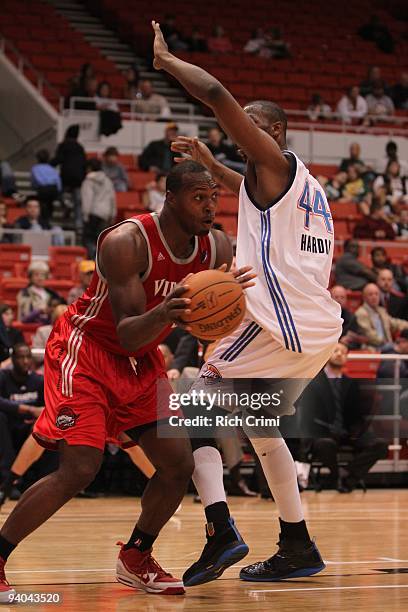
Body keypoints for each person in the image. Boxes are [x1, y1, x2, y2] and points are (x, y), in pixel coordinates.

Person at [0, 160, 254, 598]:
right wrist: (171, 310)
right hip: (88, 351)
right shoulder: (126, 242)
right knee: (80, 468)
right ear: (170, 198)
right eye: (199, 198)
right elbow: (127, 329)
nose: (210, 207)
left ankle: (136, 556)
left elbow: (184, 328)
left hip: (142, 360)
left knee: (178, 465)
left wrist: (215, 312)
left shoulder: (216, 247)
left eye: (215, 197)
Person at [152, 20, 342, 584]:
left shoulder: (275, 165)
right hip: (314, 331)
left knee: (187, 406)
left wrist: (166, 61)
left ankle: (220, 530)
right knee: (261, 430)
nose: (244, 132)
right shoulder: (303, 186)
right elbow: (249, 188)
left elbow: (215, 95)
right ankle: (297, 544)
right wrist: (212, 164)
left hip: (277, 324)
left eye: (255, 128)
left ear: (277, 132)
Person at [299, 343, 388, 492]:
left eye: (343, 352)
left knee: (380, 444)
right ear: (327, 354)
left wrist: (357, 431)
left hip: (347, 432)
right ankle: (337, 478)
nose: (339, 354)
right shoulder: (312, 381)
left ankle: (347, 475)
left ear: (346, 358)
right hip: (323, 432)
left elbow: (356, 414)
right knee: (325, 444)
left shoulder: (351, 383)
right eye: (335, 350)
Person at [0, 344, 44, 492]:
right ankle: (10, 481)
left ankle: (41, 482)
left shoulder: (38, 381)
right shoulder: (3, 377)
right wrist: (29, 409)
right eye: (21, 357)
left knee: (48, 427)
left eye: (28, 357)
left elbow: (46, 407)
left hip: (28, 427)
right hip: (7, 426)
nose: (25, 361)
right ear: (12, 359)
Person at [51, 125, 87, 230]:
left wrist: (47, 164)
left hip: (66, 176)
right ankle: (78, 223)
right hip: (78, 178)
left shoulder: (63, 145)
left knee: (59, 194)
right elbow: (84, 163)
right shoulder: (80, 147)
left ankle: (67, 204)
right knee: (78, 202)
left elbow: (59, 159)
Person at [81, 158, 117, 259]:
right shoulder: (108, 180)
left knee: (88, 239)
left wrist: (85, 215)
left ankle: (92, 260)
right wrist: (113, 214)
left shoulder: (88, 181)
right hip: (105, 214)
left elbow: (87, 198)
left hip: (93, 213)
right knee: (101, 240)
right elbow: (112, 198)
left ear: (89, 168)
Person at [354, 283, 408, 350]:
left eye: (376, 294)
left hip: (388, 347)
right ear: (364, 297)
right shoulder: (361, 313)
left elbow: (394, 323)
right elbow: (370, 335)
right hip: (372, 348)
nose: (374, 297)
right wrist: (391, 345)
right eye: (370, 294)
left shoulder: (381, 311)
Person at [30, 150, 62, 220]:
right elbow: (58, 179)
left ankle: (44, 219)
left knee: (43, 203)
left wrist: (34, 187)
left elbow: (34, 180)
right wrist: (59, 190)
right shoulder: (51, 168)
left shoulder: (35, 168)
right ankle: (49, 217)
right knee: (50, 203)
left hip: (43, 188)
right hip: (53, 188)